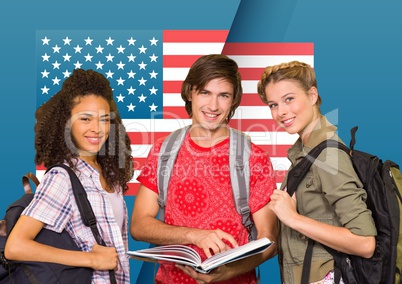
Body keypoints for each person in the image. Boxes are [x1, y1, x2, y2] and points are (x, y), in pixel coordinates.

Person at [130, 54, 278, 284]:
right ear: (190, 93)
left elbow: (270, 241)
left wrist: (230, 271)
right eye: (205, 93)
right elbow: (139, 225)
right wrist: (193, 235)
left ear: (233, 100)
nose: (213, 106)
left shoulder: (253, 158)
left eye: (223, 96)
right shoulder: (164, 151)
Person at [5, 69, 134, 283]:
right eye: (85, 119)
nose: (96, 129)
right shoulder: (63, 177)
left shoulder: (111, 176)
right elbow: (15, 247)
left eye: (104, 120)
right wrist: (91, 260)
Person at [257, 61, 377, 284]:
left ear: (312, 95)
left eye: (289, 99)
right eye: (273, 104)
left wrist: (293, 218)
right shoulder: (306, 153)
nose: (281, 112)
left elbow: (365, 242)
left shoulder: (328, 155)